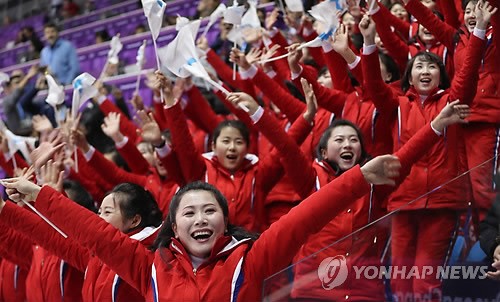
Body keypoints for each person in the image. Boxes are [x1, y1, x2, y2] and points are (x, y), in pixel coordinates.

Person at [1, 150, 403, 301]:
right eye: (189, 213)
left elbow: (304, 218)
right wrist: (38, 197)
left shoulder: (252, 259)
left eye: (209, 211)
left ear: (225, 221)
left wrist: (359, 178)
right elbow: (92, 234)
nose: (200, 219)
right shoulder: (150, 268)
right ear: (173, 227)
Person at [360, 2, 493, 299]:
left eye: (432, 65)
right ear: (408, 77)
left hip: (441, 206)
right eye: (418, 65)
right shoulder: (396, 105)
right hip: (404, 202)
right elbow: (372, 84)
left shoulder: (453, 102)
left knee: (425, 285)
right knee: (399, 284)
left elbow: (468, 73)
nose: (425, 70)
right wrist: (368, 42)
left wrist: (480, 31)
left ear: (441, 75)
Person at [0, 178, 163, 302]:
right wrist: (3, 209)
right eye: (99, 212)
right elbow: (48, 236)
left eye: (107, 212)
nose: (99, 218)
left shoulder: (147, 257)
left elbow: (91, 230)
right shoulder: (95, 258)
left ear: (134, 221)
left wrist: (39, 194)